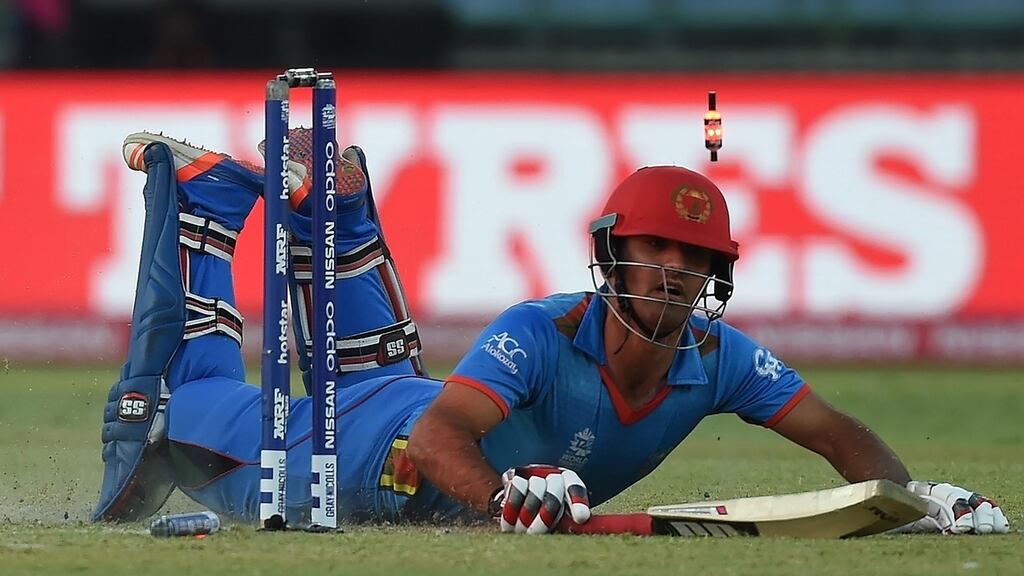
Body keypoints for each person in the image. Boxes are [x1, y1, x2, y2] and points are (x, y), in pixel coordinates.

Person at [93, 130, 1010, 535]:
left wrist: (915, 498)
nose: (674, 275)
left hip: (418, 404)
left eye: (693, 260)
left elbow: (836, 434)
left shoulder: (721, 358)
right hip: (382, 448)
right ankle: (208, 200)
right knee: (189, 423)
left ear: (717, 276)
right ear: (610, 256)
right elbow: (440, 436)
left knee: (369, 370)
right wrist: (505, 500)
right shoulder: (540, 329)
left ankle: (341, 211)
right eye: (655, 253)